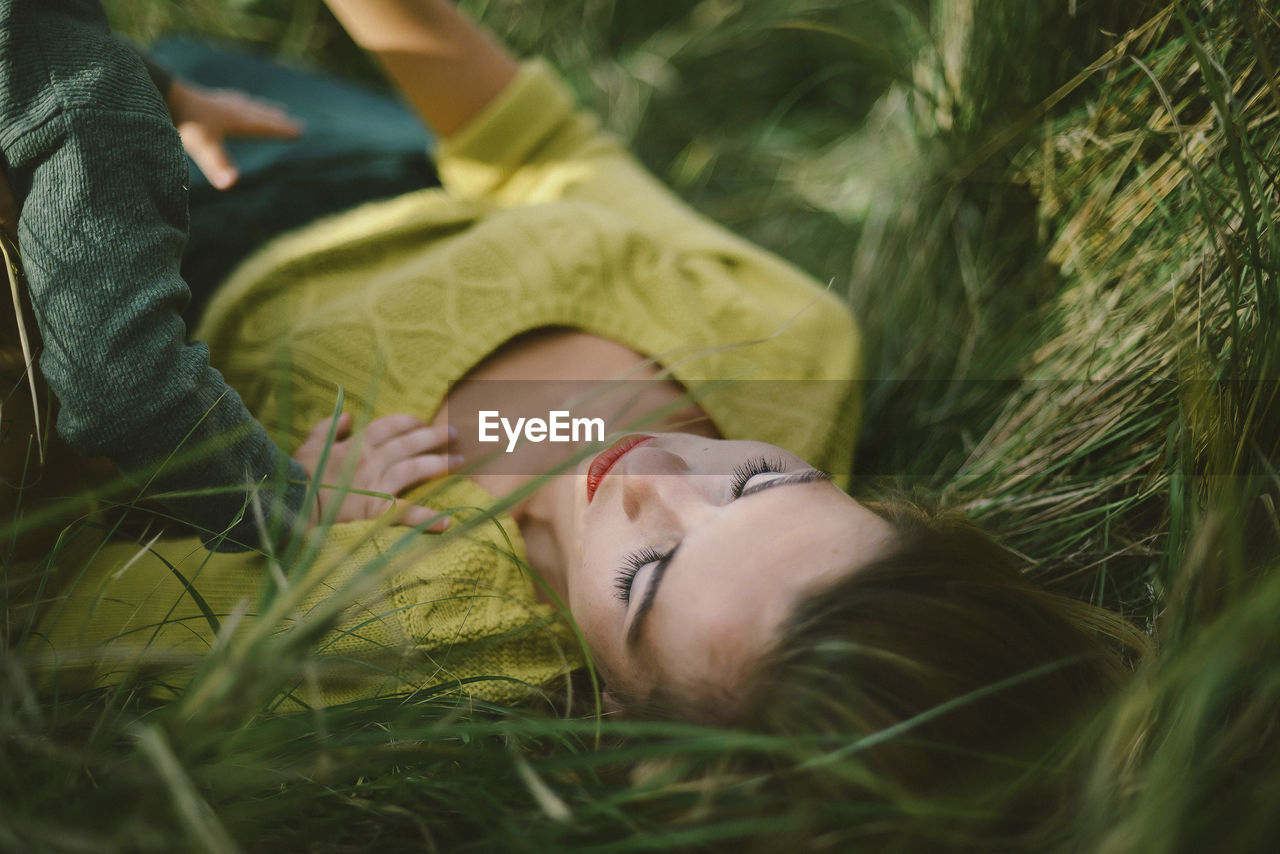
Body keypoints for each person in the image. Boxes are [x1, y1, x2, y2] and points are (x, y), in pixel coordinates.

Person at [23, 0, 1141, 807]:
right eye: (759, 477)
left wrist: (285, 522)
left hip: (128, 296)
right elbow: (541, 152)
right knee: (185, 66)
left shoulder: (400, 634)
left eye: (648, 576)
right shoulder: (792, 340)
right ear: (884, 504)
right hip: (381, 179)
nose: (652, 474)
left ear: (628, 720)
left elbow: (56, 619)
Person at [0, 0, 456, 558]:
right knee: (414, 149)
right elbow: (121, 383)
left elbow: (32, 39)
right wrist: (289, 501)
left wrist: (165, 89)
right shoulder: (90, 112)